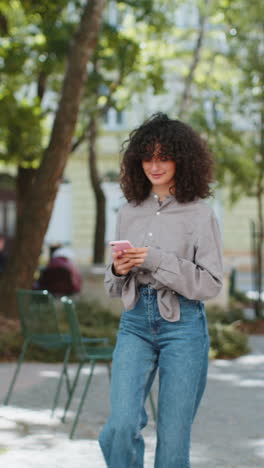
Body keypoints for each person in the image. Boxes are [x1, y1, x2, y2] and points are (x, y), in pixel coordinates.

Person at [99, 113, 223, 468]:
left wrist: (156, 260)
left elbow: (210, 283)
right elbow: (112, 287)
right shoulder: (129, 211)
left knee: (172, 439)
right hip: (135, 322)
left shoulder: (200, 214)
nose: (154, 165)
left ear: (181, 160)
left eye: (164, 156)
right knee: (120, 426)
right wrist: (118, 269)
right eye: (147, 156)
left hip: (183, 326)